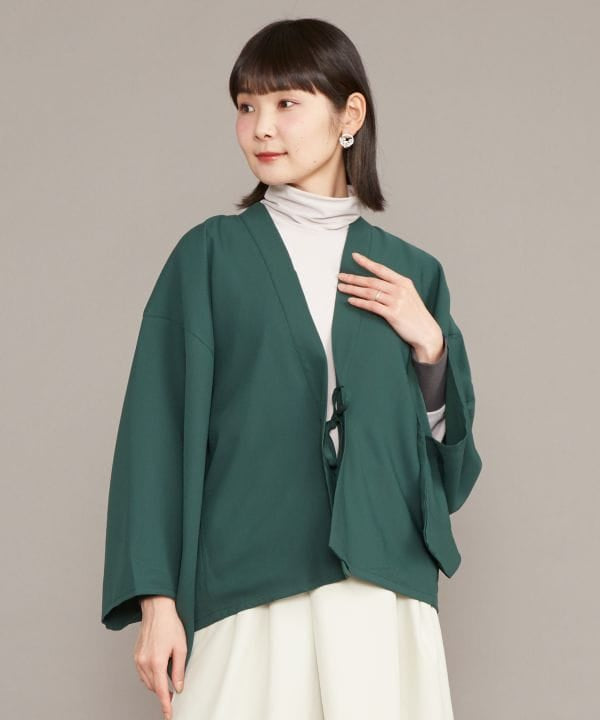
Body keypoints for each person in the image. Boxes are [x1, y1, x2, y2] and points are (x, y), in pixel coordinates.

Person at [101, 17, 482, 720]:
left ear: (349, 115)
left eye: (286, 103)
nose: (262, 128)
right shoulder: (208, 258)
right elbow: (153, 437)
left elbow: (447, 475)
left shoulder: (414, 274)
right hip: (248, 586)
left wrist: (431, 349)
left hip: (382, 597)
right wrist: (158, 603)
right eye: (246, 106)